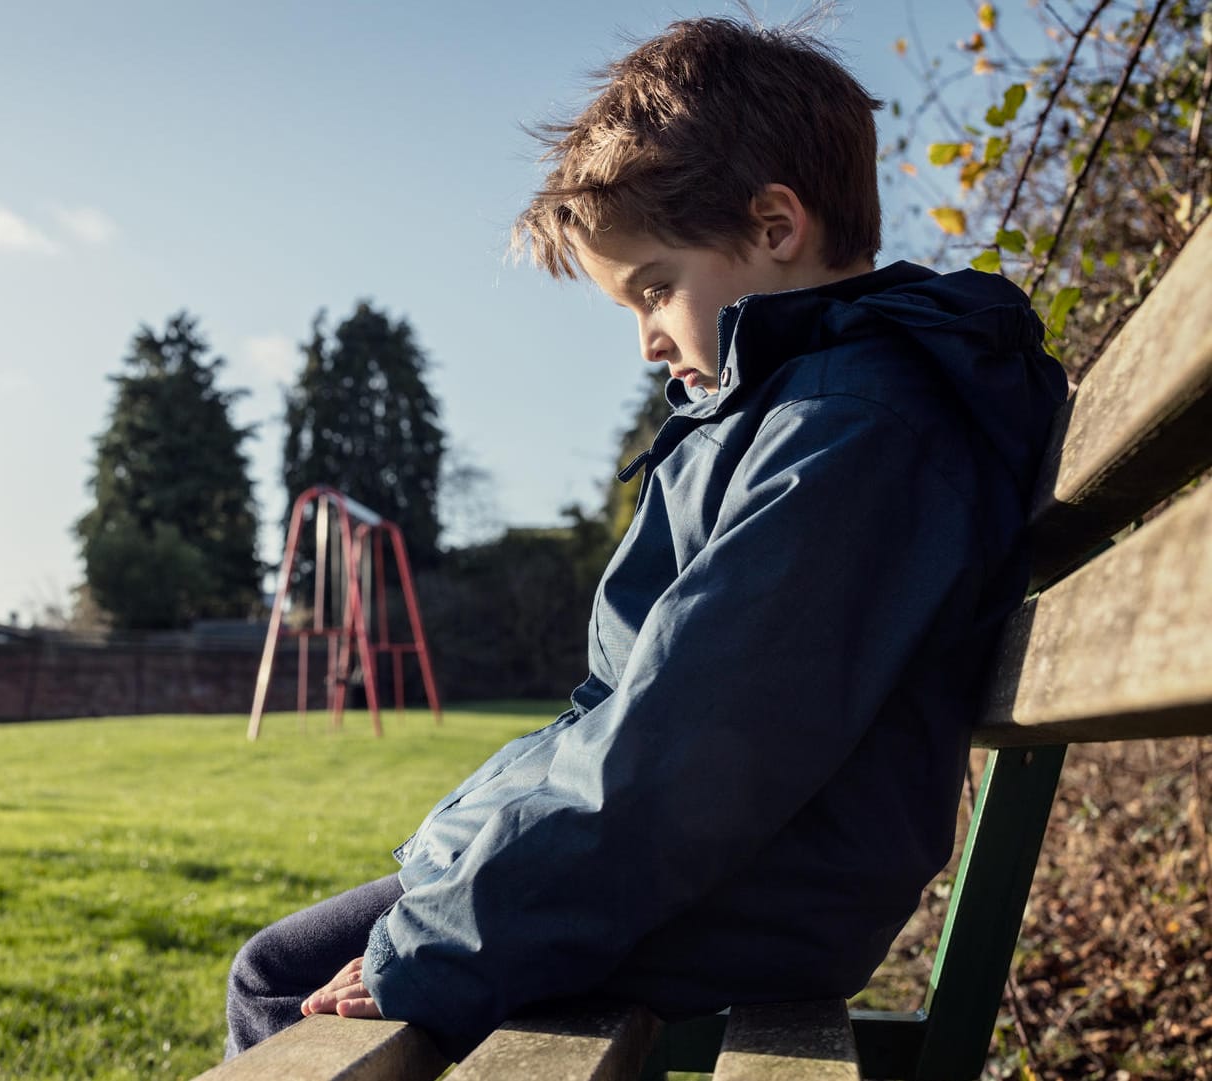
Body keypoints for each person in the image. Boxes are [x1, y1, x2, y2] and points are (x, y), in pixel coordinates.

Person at [224, 14, 1070, 1062]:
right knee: (296, 962)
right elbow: (642, 712)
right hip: (722, 867)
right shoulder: (789, 415)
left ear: (774, 226)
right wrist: (467, 848)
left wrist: (438, 946)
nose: (647, 340)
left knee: (283, 985)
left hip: (748, 887)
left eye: (657, 287)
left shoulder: (852, 433)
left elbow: (694, 747)